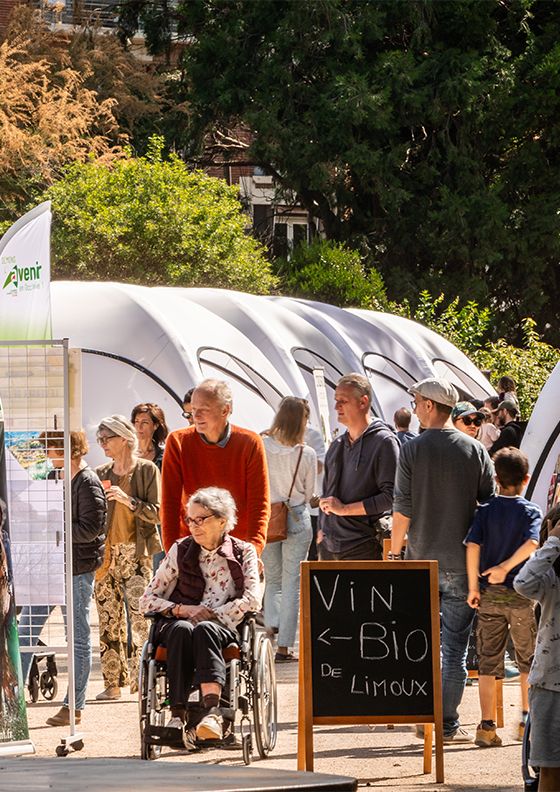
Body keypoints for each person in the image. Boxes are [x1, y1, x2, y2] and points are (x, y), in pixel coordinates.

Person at [391, 377, 495, 743]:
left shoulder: (413, 450)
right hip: (463, 562)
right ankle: (446, 723)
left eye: (417, 401)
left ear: (431, 406)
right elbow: (488, 506)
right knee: (454, 648)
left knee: (421, 644)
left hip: (421, 560)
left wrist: (394, 553)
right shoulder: (475, 450)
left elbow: (402, 508)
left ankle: (423, 715)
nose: (415, 407)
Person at [139, 487, 261, 740]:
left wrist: (212, 614)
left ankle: (212, 713)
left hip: (222, 626)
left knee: (204, 629)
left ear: (222, 521)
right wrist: (181, 609)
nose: (194, 526)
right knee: (184, 629)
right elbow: (146, 600)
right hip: (180, 623)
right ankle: (177, 715)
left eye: (201, 519)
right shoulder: (180, 550)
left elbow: (252, 599)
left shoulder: (243, 551)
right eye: (190, 520)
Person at [17, 430, 107, 726]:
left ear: (68, 449)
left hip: (77, 569)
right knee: (27, 630)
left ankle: (74, 706)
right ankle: (13, 699)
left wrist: (55, 527)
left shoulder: (87, 481)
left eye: (51, 448)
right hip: (50, 567)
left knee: (77, 638)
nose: (46, 455)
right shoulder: (54, 478)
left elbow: (91, 529)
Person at [465, 447, 540, 748]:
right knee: (527, 660)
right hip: (521, 595)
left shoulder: (484, 511)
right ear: (526, 479)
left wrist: (474, 586)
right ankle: (526, 721)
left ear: (495, 478)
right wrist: (507, 567)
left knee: (488, 661)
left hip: (489, 596)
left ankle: (486, 726)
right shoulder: (530, 511)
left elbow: (472, 547)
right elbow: (533, 542)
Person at [161, 379, 270, 556]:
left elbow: (259, 503)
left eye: (204, 409)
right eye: (193, 410)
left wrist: (253, 550)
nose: (196, 416)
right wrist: (173, 552)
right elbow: (169, 504)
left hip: (238, 550)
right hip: (191, 549)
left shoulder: (250, 443)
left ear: (225, 410)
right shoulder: (177, 442)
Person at [94, 416, 161, 701]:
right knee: (108, 619)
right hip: (106, 554)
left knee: (140, 619)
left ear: (124, 438)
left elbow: (158, 513)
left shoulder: (146, 470)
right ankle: (112, 684)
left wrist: (128, 501)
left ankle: (142, 680)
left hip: (136, 552)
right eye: (100, 439)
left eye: (107, 438)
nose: (103, 444)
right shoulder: (100, 472)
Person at [318, 373, 399, 561]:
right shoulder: (337, 444)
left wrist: (344, 509)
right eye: (336, 400)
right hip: (329, 548)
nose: (336, 406)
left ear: (363, 402)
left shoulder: (384, 442)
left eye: (343, 401)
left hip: (363, 547)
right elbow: (328, 495)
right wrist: (322, 533)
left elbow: (391, 497)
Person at [261, 397, 316, 662]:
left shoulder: (262, 446)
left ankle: (271, 629)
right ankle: (285, 646)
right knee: (291, 581)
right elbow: (309, 493)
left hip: (269, 516)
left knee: (272, 580)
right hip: (296, 516)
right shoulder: (306, 453)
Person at [514, 505, 560, 791]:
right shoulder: (549, 578)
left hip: (547, 685)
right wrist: (554, 542)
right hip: (549, 685)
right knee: (550, 770)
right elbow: (521, 583)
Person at [131, 403, 168, 571]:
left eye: (144, 422)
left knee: (156, 572)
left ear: (156, 425)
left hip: (157, 523)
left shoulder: (165, 456)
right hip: (131, 523)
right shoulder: (126, 455)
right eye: (136, 421)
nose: (138, 426)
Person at [131, 403, 168, 467]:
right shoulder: (124, 452)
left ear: (155, 426)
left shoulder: (163, 457)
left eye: (144, 422)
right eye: (137, 421)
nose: (139, 427)